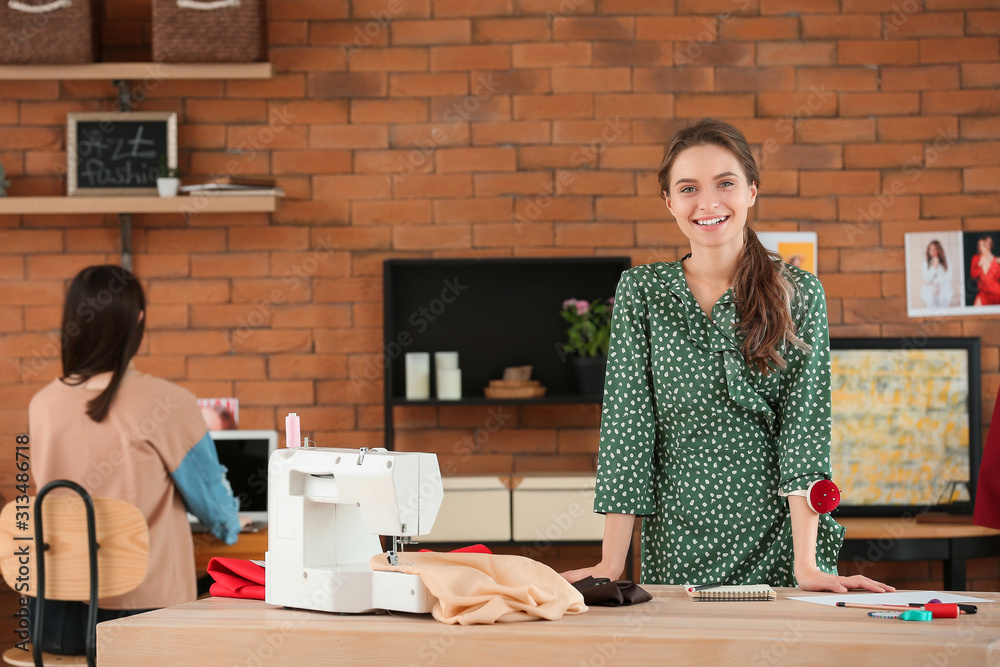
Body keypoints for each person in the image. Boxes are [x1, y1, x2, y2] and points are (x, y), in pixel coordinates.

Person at [562, 118, 892, 594]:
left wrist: (807, 564)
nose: (708, 202)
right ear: (669, 201)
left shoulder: (799, 293)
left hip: (780, 541)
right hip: (677, 542)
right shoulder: (643, 291)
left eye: (725, 183)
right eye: (689, 187)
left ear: (752, 191)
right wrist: (610, 563)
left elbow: (804, 429)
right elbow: (628, 429)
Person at [28, 265, 241, 654]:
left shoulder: (41, 405)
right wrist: (231, 527)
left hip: (55, 619)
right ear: (138, 320)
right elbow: (217, 512)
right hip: (145, 616)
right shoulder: (168, 401)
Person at [921, 240, 953, 309]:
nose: (932, 252)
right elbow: (926, 278)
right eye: (930, 249)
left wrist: (933, 282)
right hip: (930, 296)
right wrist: (934, 267)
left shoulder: (946, 261)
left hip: (944, 295)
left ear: (939, 250)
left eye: (934, 249)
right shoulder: (926, 263)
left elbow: (948, 276)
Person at [970, 235, 1000, 306]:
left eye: (983, 245)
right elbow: (973, 275)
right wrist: (979, 266)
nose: (980, 248)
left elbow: (997, 278)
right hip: (983, 293)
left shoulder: (996, 261)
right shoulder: (976, 258)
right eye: (979, 245)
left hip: (997, 293)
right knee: (975, 314)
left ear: (989, 245)